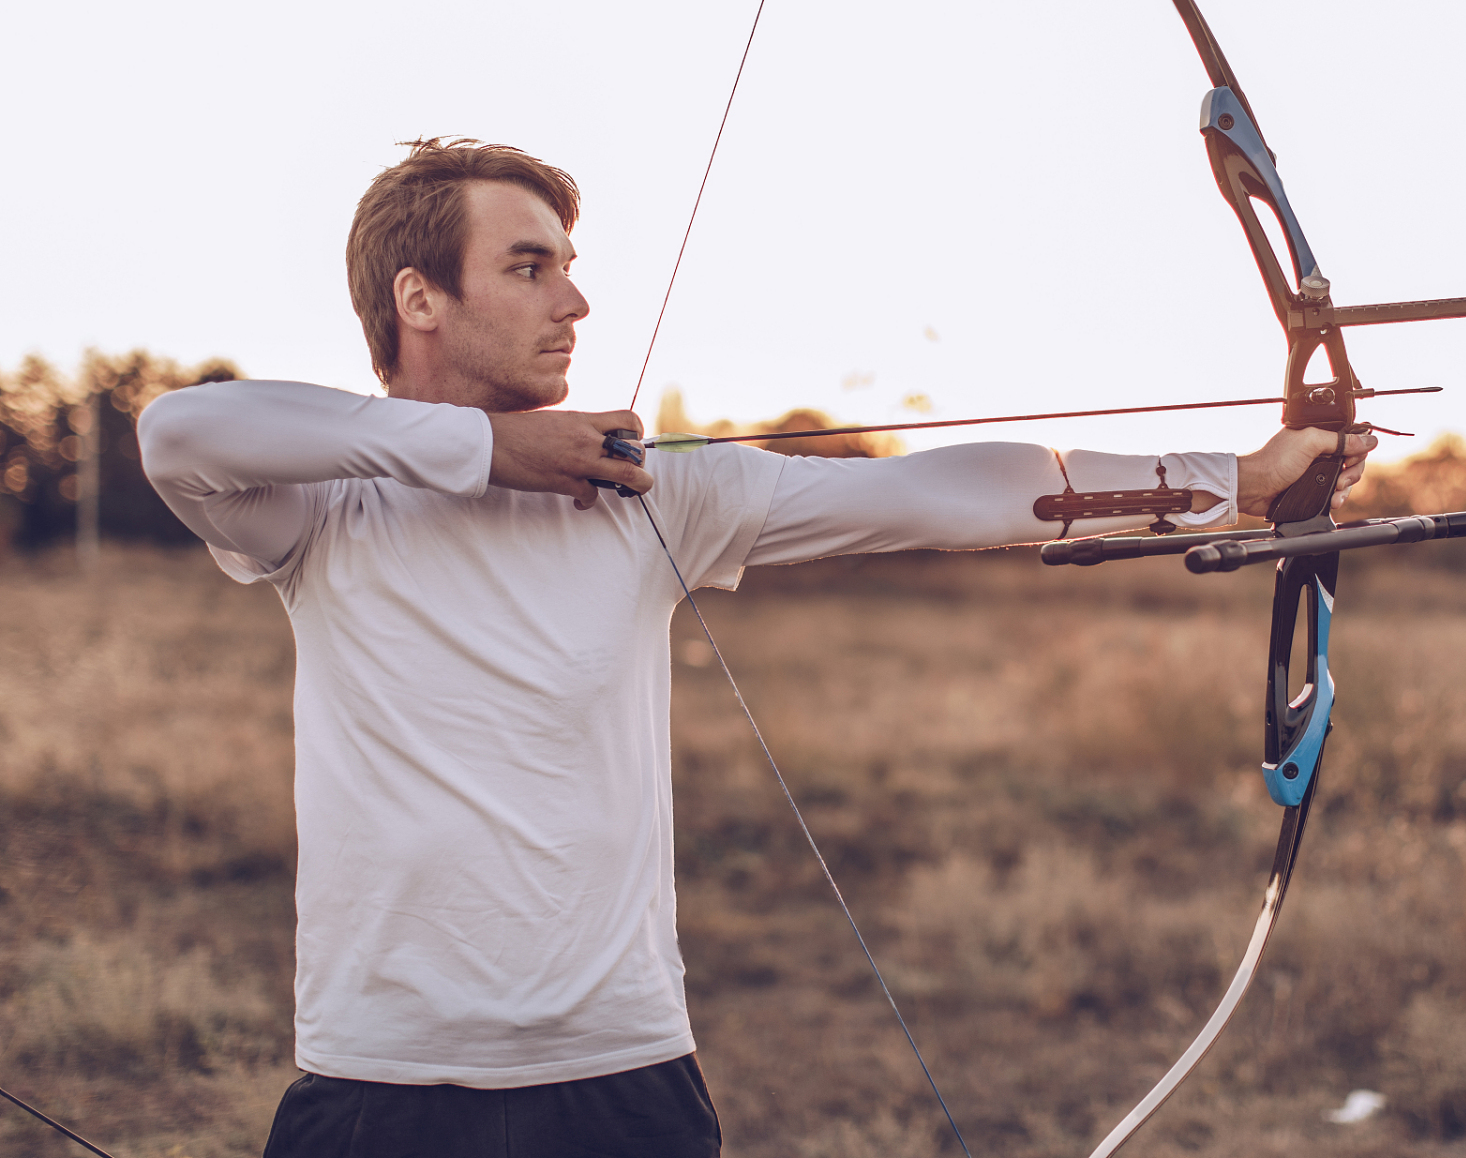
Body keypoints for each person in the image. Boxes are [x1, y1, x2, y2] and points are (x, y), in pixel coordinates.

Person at [138, 138, 1373, 1156]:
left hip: (617, 1075)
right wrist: (486, 452)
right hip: (381, 1080)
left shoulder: (652, 493)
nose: (573, 300)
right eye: (528, 267)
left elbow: (950, 493)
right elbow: (178, 432)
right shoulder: (321, 510)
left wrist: (1236, 479)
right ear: (421, 296)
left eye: (570, 266)